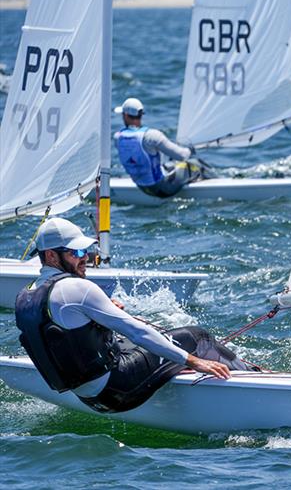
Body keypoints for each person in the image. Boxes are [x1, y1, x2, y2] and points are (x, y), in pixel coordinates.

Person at [15, 217, 254, 413]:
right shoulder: (76, 288)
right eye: (75, 252)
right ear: (51, 257)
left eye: (85, 250)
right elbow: (138, 332)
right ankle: (254, 378)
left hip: (87, 398)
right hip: (119, 390)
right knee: (196, 337)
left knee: (145, 340)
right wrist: (194, 361)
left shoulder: (25, 296)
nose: (85, 258)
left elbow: (68, 338)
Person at [113, 97, 211, 198]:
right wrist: (190, 150)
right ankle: (216, 182)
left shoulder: (117, 137)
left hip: (143, 188)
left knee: (171, 164)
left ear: (125, 115)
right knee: (196, 164)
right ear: (141, 115)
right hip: (163, 188)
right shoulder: (152, 136)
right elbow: (183, 155)